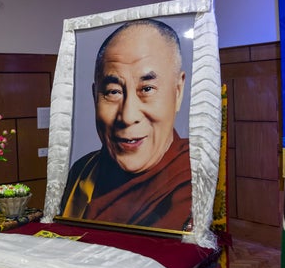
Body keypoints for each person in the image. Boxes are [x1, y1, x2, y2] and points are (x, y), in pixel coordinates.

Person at [60, 19, 192, 231]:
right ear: (95, 97)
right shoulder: (83, 170)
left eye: (147, 89)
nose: (128, 116)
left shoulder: (191, 177)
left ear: (177, 92)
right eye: (113, 92)